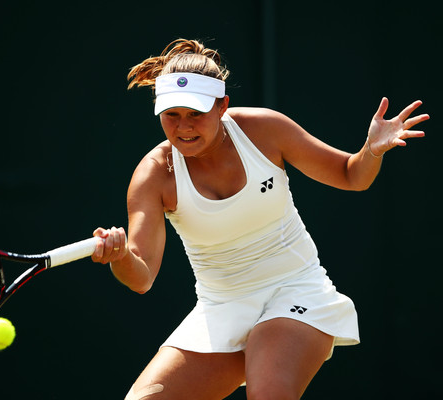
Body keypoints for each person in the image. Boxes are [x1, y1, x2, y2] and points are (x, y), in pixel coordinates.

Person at [91, 39, 429, 400]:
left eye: (196, 113)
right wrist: (122, 256)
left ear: (222, 106)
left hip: (295, 291)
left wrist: (370, 151)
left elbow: (351, 175)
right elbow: (141, 278)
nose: (183, 127)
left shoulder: (265, 130)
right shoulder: (154, 174)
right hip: (220, 310)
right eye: (172, 114)